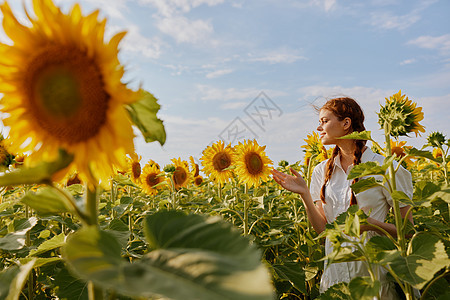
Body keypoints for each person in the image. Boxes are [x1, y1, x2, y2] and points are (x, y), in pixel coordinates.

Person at [271, 97, 414, 299]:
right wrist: (304, 194)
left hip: (373, 278)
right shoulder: (322, 171)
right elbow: (323, 231)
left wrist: (372, 225)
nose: (319, 127)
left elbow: (408, 232)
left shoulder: (385, 168)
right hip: (335, 279)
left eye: (324, 121)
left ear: (346, 123)